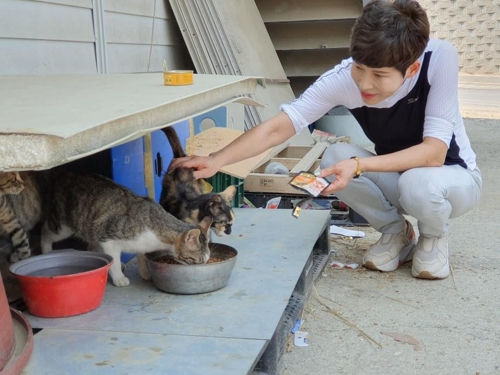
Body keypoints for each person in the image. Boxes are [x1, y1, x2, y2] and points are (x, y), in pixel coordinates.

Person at [171, 0, 482, 280]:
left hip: (453, 180)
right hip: (399, 178)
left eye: (379, 75)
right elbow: (281, 126)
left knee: (418, 183)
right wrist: (217, 160)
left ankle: (433, 236)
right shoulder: (345, 79)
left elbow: (434, 154)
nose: (365, 83)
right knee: (335, 158)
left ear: (411, 69)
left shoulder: (437, 59)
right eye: (360, 68)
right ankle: (396, 233)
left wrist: (359, 164)